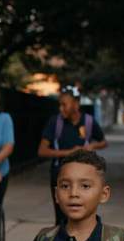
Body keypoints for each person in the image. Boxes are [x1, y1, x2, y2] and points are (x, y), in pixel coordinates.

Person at [37, 86, 108, 225]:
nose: (60, 108)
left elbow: (103, 142)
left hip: (84, 176)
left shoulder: (88, 121)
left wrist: (92, 146)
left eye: (64, 104)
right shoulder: (55, 122)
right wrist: (68, 153)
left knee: (83, 216)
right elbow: (42, 151)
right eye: (59, 104)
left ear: (76, 104)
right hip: (60, 175)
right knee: (62, 218)